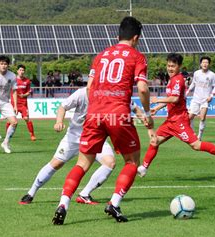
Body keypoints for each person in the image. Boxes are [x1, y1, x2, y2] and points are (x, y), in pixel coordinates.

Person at [52, 16, 153, 225]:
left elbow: (89, 88)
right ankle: (114, 203)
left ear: (118, 36)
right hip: (119, 114)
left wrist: (98, 107)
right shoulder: (137, 56)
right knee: (132, 161)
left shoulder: (101, 56)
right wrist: (147, 112)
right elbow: (142, 88)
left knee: (82, 163)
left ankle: (63, 203)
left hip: (95, 114)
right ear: (136, 38)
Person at [19, 88, 146, 205]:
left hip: (95, 137)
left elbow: (134, 108)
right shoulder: (81, 94)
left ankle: (84, 194)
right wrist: (59, 121)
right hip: (74, 137)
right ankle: (31, 193)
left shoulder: (108, 95)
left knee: (109, 162)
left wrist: (146, 120)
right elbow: (62, 107)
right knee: (56, 163)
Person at [137, 53, 215, 178]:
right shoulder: (172, 80)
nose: (170, 68)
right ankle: (144, 168)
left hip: (179, 121)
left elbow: (175, 99)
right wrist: (156, 108)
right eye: (168, 66)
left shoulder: (178, 80)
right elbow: (171, 98)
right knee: (154, 141)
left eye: (173, 66)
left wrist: (156, 101)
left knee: (196, 145)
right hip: (171, 120)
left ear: (179, 66)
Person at [185, 56, 215, 141]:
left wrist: (211, 95)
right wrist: (187, 92)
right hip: (195, 99)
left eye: (206, 62)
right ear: (200, 64)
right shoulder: (196, 73)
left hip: (205, 100)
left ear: (209, 64)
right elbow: (193, 83)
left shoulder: (212, 75)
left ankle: (199, 137)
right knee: (190, 117)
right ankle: (193, 134)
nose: (205, 64)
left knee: (202, 117)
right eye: (203, 62)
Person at [6, 65, 36, 141]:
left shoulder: (27, 81)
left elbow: (29, 92)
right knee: (10, 120)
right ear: (17, 71)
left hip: (23, 103)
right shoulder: (13, 80)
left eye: (23, 70)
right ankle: (8, 135)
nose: (21, 72)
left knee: (26, 118)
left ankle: (32, 134)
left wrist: (24, 95)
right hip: (14, 103)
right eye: (20, 70)